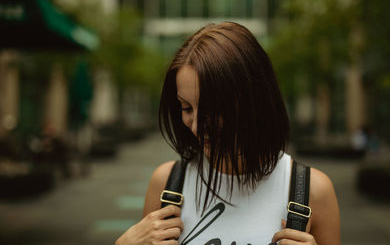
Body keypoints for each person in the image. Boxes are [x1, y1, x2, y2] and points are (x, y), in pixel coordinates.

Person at [115, 22, 340, 245]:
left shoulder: (313, 191)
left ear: (251, 100)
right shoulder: (166, 184)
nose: (196, 126)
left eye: (211, 111)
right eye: (186, 108)